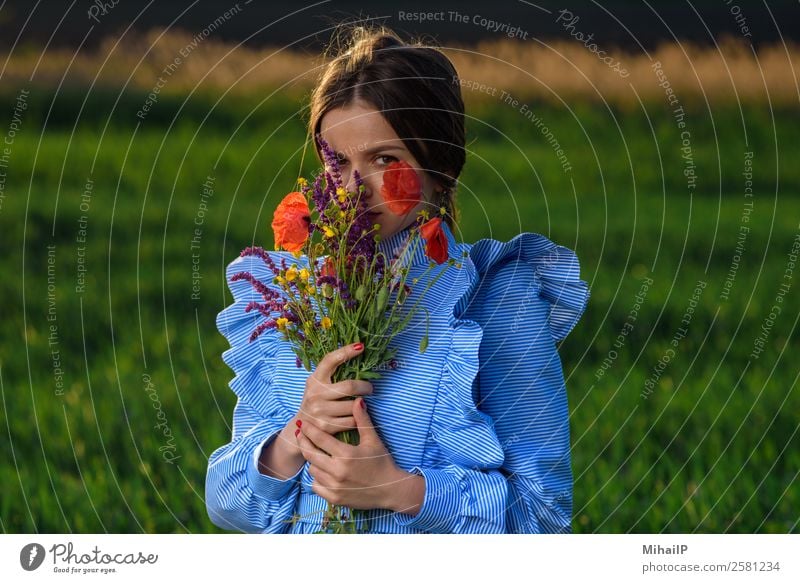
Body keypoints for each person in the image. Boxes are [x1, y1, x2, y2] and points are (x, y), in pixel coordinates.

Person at [205, 25, 590, 534]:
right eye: (337, 162)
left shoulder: (495, 297)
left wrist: (399, 491)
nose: (352, 190)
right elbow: (226, 505)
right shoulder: (294, 300)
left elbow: (543, 518)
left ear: (440, 167)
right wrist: (298, 436)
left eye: (385, 160)